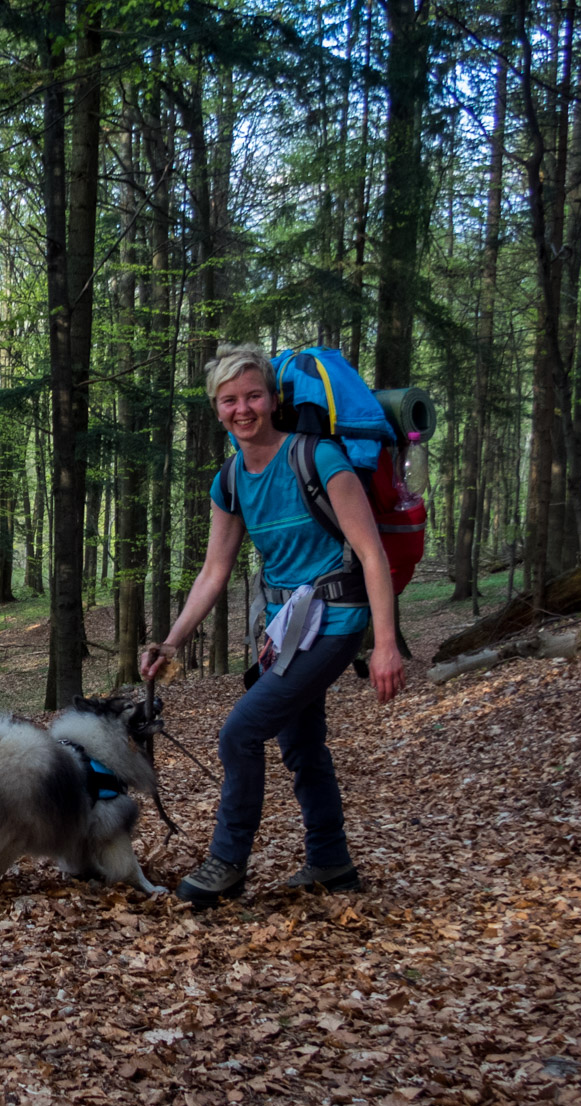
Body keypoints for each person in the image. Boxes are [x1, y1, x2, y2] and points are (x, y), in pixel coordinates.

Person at [138, 344, 404, 908]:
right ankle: (332, 862)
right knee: (303, 744)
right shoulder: (231, 479)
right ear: (216, 408)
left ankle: (227, 862)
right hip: (287, 627)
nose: (243, 409)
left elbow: (372, 554)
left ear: (272, 398)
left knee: (240, 732)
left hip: (338, 616)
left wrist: (384, 645)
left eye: (253, 395)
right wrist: (171, 641)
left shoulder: (319, 458)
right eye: (230, 399)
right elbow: (214, 572)